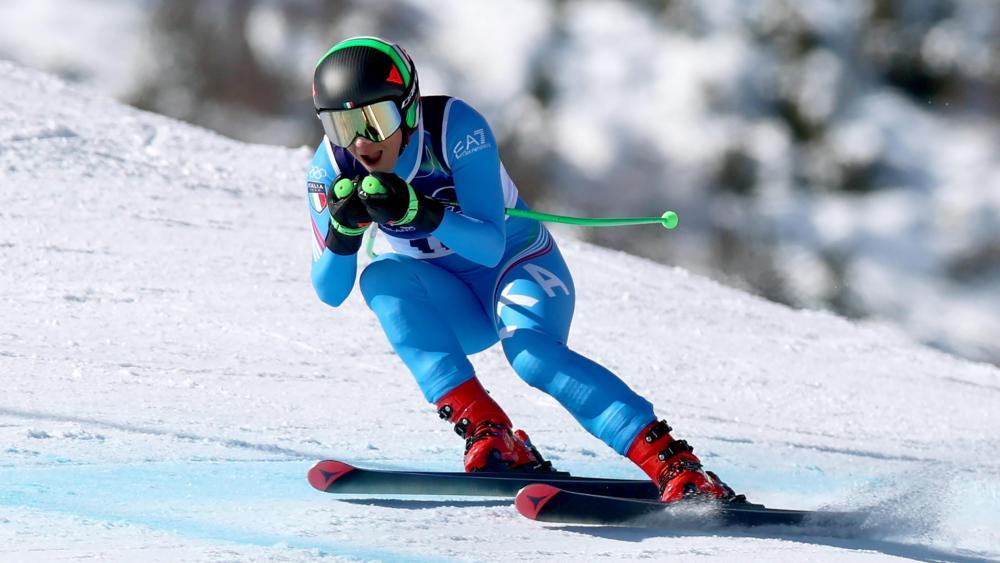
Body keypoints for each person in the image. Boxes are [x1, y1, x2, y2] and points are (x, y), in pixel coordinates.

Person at [305, 36, 735, 503]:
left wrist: (418, 211)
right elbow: (329, 291)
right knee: (381, 277)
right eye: (341, 124)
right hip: (455, 303)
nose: (360, 142)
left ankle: (676, 464)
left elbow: (488, 245)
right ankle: (492, 434)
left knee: (532, 357)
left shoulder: (454, 128)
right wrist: (343, 237)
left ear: (408, 112)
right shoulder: (329, 168)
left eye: (375, 119)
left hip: (518, 268)